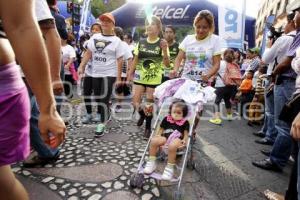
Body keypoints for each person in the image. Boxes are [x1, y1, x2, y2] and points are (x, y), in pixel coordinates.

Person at [0, 0, 66, 199]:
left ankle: (47, 151)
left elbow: (24, 26)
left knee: (3, 182)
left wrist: (49, 107)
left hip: (8, 82)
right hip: (20, 75)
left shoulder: (53, 16)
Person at [252, 9, 300, 172]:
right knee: (286, 123)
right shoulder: (295, 37)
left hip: (286, 82)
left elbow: (271, 60)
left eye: (287, 22)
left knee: (283, 124)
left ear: (292, 22)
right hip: (290, 83)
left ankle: (276, 159)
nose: (285, 26)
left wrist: (273, 74)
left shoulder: (287, 38)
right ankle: (279, 153)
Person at [23, 0, 65, 168]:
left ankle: (48, 151)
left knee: (32, 113)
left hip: (31, 69)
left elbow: (53, 34)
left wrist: (55, 77)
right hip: (20, 68)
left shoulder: (53, 15)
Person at [170, 10, 222, 135]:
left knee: (197, 108)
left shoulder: (215, 40)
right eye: (198, 27)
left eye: (204, 27)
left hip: (202, 82)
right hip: (186, 79)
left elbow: (217, 64)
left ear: (210, 27)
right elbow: (179, 58)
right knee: (181, 106)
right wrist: (175, 69)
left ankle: (192, 131)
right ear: (195, 25)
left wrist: (208, 75)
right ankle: (179, 129)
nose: (200, 30)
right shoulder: (188, 39)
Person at [78, 13, 124, 130]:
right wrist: (82, 65)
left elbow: (120, 60)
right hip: (95, 73)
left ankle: (101, 125)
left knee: (104, 98)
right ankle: (106, 112)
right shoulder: (94, 38)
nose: (104, 23)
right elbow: (89, 52)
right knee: (98, 97)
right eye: (103, 21)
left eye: (108, 21)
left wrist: (118, 78)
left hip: (110, 73)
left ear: (113, 25)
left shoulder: (116, 41)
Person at [127, 15, 170, 139]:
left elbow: (167, 64)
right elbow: (135, 59)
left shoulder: (161, 43)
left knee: (149, 105)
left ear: (158, 27)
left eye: (152, 24)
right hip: (139, 77)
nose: (149, 26)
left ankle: (147, 127)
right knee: (135, 103)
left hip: (154, 78)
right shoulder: (141, 42)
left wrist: (165, 50)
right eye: (147, 24)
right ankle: (142, 115)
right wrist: (130, 73)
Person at [143, 100, 189, 180]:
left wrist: (185, 140)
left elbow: (186, 134)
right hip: (166, 137)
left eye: (179, 113)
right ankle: (151, 162)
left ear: (183, 114)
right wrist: (158, 135)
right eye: (174, 112)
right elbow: (161, 129)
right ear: (170, 111)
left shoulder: (185, 122)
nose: (176, 114)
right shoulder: (167, 119)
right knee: (154, 141)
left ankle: (169, 168)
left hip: (177, 139)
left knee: (173, 145)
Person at [209, 49, 238, 125]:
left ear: (224, 55)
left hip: (221, 85)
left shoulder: (220, 63)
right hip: (231, 86)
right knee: (227, 100)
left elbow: (214, 72)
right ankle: (229, 116)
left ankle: (217, 119)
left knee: (216, 101)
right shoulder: (234, 64)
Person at [114, 26, 133, 112]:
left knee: (119, 88)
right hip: (111, 69)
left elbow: (129, 58)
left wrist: (129, 73)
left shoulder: (123, 44)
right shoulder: (110, 42)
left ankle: (119, 105)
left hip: (122, 70)